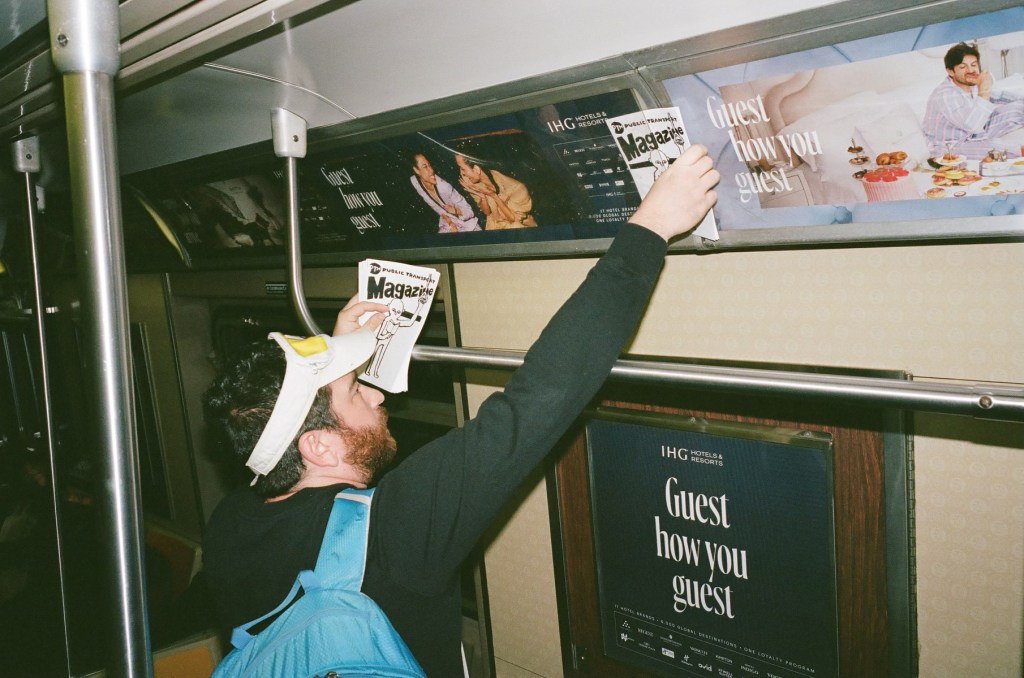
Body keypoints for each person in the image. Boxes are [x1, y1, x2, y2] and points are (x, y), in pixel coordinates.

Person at [201, 144, 719, 676]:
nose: (378, 395)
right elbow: (541, 395)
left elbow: (306, 442)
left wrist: (338, 365)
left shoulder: (230, 525)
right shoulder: (397, 530)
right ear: (317, 446)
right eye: (358, 392)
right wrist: (651, 226)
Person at [921, 41, 1024, 160]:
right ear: (950, 71)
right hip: (952, 143)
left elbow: (1000, 96)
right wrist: (983, 91)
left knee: (1018, 107)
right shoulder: (945, 94)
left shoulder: (971, 83)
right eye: (963, 67)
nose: (971, 70)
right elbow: (973, 126)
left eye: (974, 65)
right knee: (995, 147)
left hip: (977, 130)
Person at [455, 153, 538, 229]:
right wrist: (482, 197)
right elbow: (487, 213)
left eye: (463, 168)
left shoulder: (516, 187)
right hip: (495, 224)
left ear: (476, 169)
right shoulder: (472, 182)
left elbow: (513, 219)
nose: (462, 174)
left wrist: (494, 195)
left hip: (517, 225)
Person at [409, 153, 481, 233]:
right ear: (416, 170)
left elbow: (470, 212)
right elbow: (437, 209)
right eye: (425, 167)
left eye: (429, 165)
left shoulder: (444, 187)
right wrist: (450, 223)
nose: (432, 170)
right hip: (447, 224)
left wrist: (456, 210)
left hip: (468, 225)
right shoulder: (415, 182)